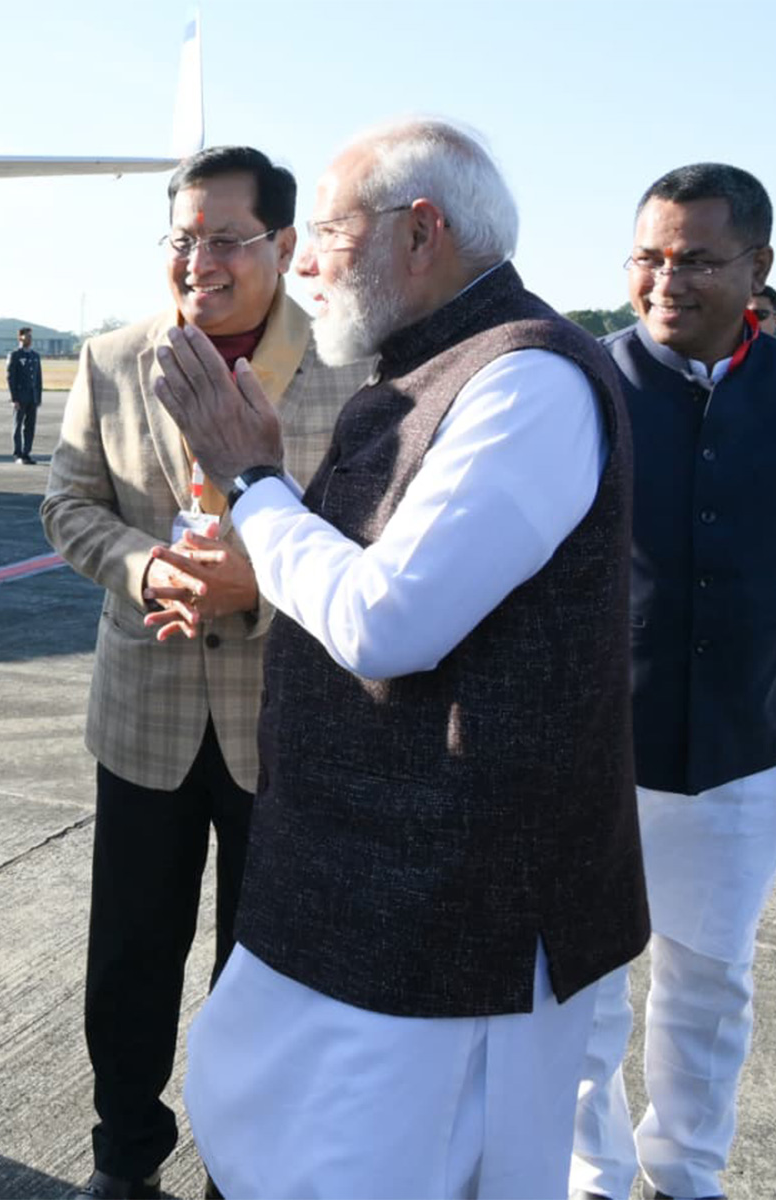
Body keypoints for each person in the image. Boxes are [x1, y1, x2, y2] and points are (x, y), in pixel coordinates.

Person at [151, 118, 649, 1200]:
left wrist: (252, 485)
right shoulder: (421, 372)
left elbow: (389, 621)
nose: (306, 260)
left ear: (419, 232)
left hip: (456, 921)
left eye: (327, 230)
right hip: (365, 896)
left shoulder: (527, 384)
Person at [41, 144, 367, 1200]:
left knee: (263, 968)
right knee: (129, 959)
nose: (200, 261)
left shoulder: (351, 370)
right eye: (183, 239)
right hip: (145, 712)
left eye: (225, 240)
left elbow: (373, 545)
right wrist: (142, 567)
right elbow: (68, 507)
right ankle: (122, 1156)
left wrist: (256, 588)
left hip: (286, 719)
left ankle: (245, 1168)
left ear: (283, 245)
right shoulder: (112, 358)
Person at [572, 163, 776, 1200]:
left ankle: (685, 1171)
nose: (667, 281)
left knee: (707, 979)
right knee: (581, 991)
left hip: (738, 753)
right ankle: (594, 1175)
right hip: (587, 745)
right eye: (649, 258)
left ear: (758, 267)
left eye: (697, 260)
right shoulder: (580, 383)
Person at [7, 326, 43, 463]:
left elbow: (38, 378)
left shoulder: (35, 356)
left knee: (30, 427)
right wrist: (14, 398)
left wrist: (38, 397)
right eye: (27, 336)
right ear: (20, 337)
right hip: (20, 397)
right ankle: (18, 454)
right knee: (18, 426)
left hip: (32, 397)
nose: (30, 339)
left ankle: (27, 453)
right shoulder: (15, 355)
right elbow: (11, 378)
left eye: (31, 336)